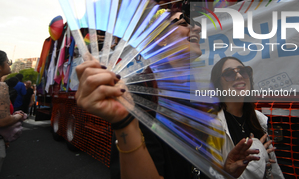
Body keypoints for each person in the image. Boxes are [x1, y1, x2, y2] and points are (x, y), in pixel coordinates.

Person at [76, 11, 261, 179]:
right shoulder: (143, 91)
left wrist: (224, 172)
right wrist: (125, 125)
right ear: (160, 38)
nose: (195, 27)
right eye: (182, 22)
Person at [210, 56, 284, 179]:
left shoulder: (259, 119)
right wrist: (256, 163)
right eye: (229, 73)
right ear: (218, 85)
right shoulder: (212, 123)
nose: (239, 76)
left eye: (243, 71)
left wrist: (263, 164)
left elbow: (272, 171)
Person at [0, 51, 26, 172]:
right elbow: (4, 121)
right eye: (7, 62)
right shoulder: (2, 87)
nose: (9, 65)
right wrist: (18, 116)